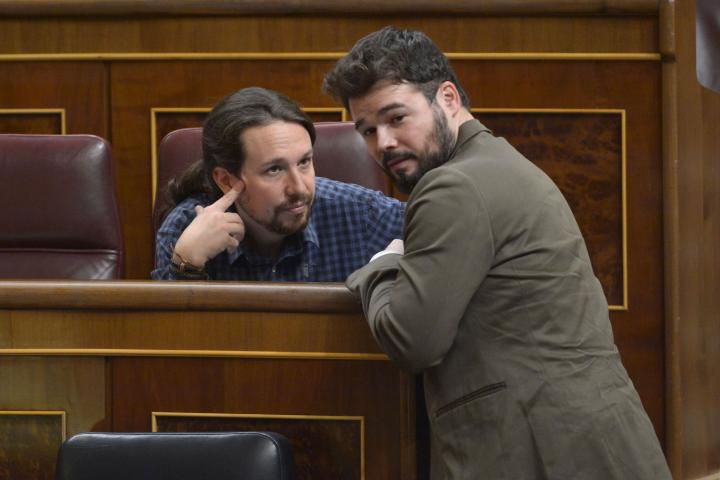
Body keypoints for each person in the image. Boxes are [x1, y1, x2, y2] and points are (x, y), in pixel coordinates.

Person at [323, 26, 672, 479]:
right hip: (590, 442)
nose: (383, 142)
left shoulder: (453, 185)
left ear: (447, 98)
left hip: (540, 451)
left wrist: (382, 267)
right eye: (367, 130)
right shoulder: (502, 163)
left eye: (397, 118)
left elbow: (412, 340)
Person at [152, 87, 404, 281]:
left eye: (304, 162)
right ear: (226, 180)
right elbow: (168, 332)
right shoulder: (186, 230)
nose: (299, 188)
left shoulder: (361, 214)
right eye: (274, 170)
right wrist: (186, 266)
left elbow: (427, 224)